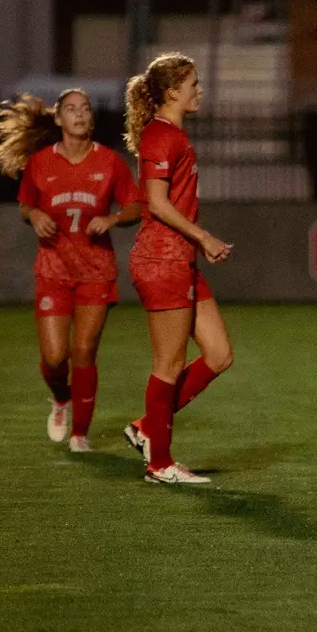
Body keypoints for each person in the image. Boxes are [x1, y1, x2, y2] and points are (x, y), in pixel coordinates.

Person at [0, 89, 141, 453]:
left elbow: (136, 207)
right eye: (70, 110)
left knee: (84, 351)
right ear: (58, 119)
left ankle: (80, 435)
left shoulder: (109, 163)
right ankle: (61, 399)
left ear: (91, 118)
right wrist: (36, 214)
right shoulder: (41, 163)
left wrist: (113, 218)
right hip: (54, 269)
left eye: (85, 109)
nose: (79, 115)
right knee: (56, 359)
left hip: (96, 269)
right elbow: (26, 206)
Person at [121, 52, 234, 485]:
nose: (199, 90)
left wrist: (197, 242)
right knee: (168, 364)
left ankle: (147, 428)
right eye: (193, 83)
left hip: (179, 259)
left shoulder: (173, 136)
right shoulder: (160, 136)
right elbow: (155, 201)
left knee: (220, 354)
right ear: (172, 92)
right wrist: (204, 237)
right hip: (162, 259)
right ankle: (159, 463)